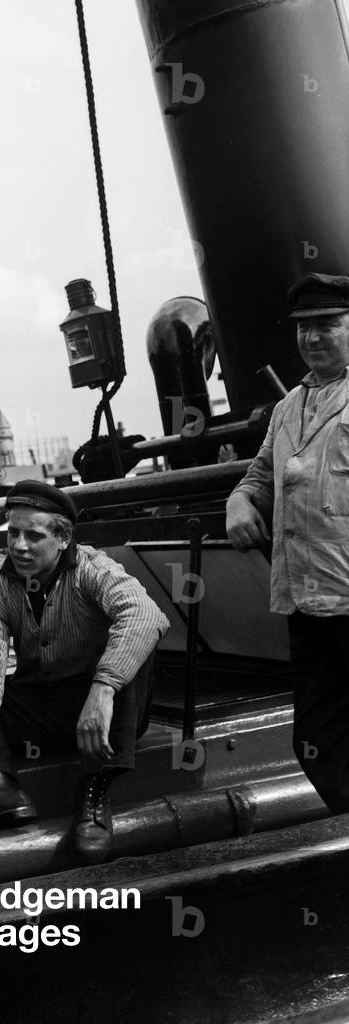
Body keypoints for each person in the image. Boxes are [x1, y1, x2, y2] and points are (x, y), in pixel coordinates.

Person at [0, 480, 169, 863]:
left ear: (63, 539)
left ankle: (94, 791)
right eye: (13, 533)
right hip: (45, 707)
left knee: (135, 646)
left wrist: (103, 688)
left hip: (102, 716)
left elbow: (146, 615)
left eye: (33, 535)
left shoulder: (92, 569)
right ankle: (0, 786)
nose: (18, 545)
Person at [226, 272, 349, 812]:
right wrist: (238, 502)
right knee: (316, 742)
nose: (312, 337)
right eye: (304, 327)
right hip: (307, 601)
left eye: (327, 324)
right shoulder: (287, 408)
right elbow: (257, 477)